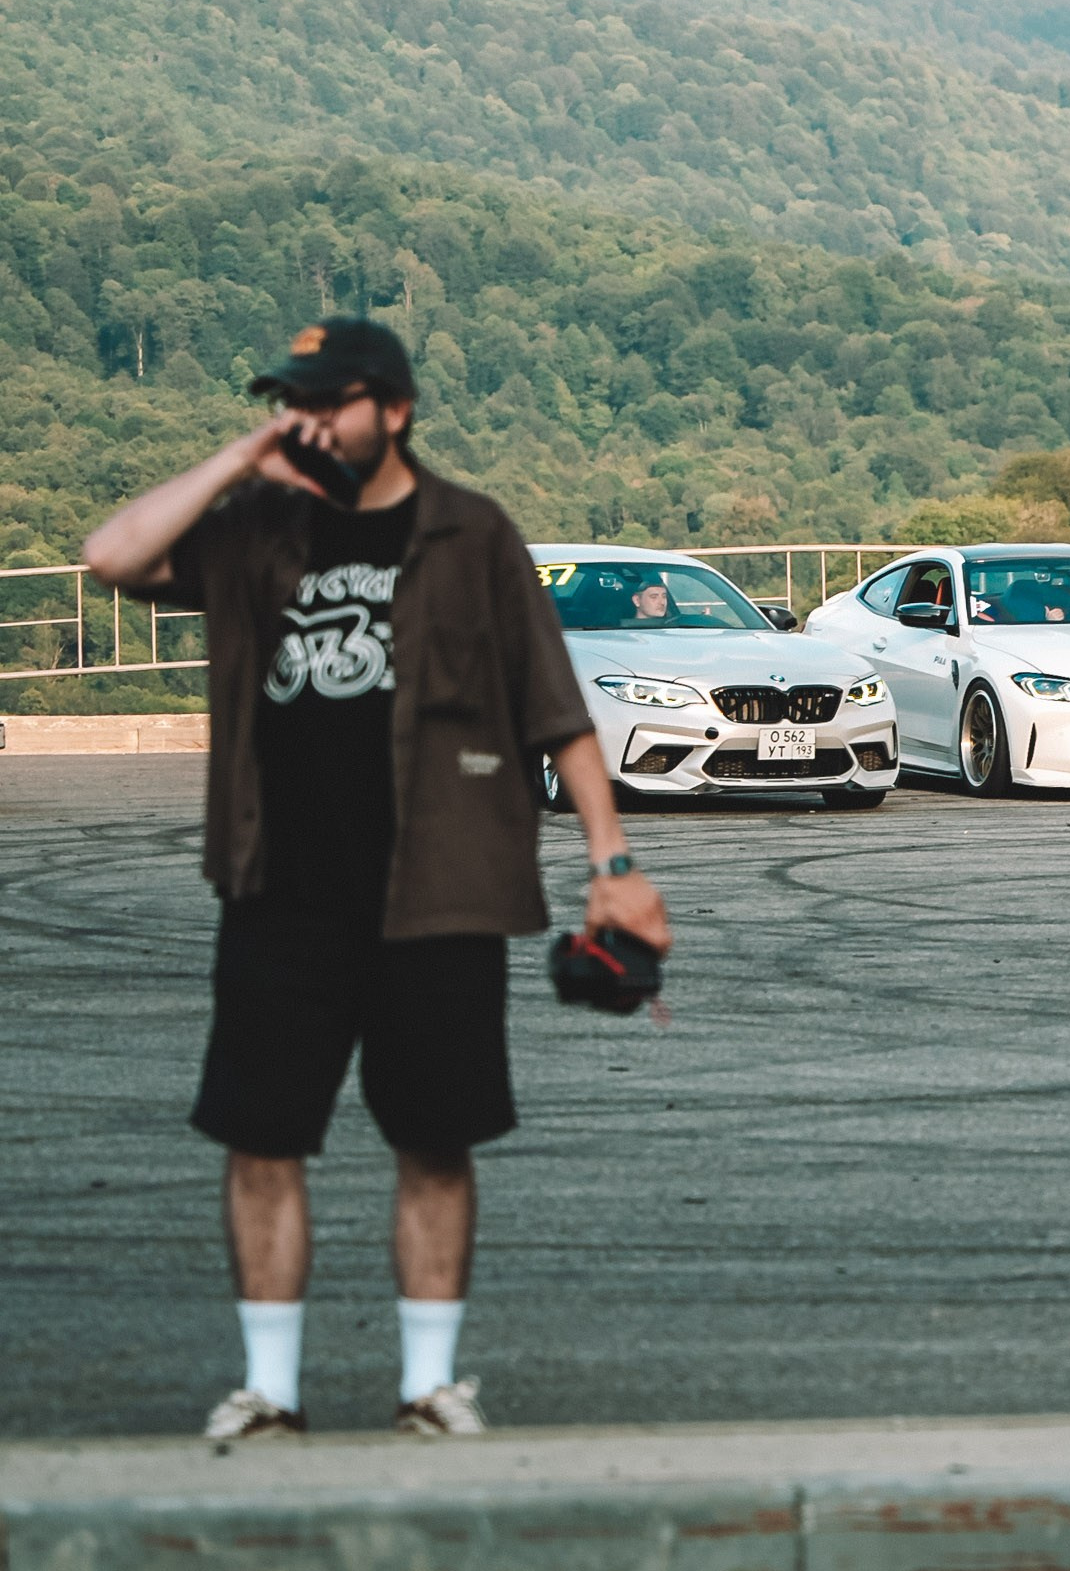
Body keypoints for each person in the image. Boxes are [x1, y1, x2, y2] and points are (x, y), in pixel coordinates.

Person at [82, 315, 671, 1444]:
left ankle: (430, 1387)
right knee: (262, 1139)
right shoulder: (256, 526)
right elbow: (113, 555)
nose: (306, 419)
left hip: (440, 890)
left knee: (435, 1139)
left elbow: (557, 711)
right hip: (279, 888)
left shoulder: (472, 533)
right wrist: (242, 457)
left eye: (328, 400)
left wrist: (616, 868)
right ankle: (270, 1392)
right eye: (290, 402)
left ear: (393, 409)